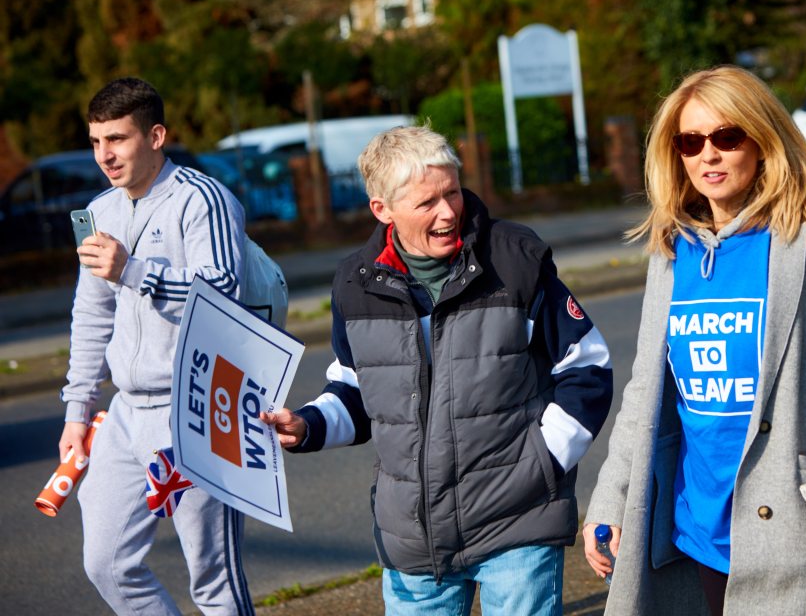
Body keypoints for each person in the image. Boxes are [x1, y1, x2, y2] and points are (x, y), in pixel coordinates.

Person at [582, 65, 806, 616]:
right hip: (697, 524)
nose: (709, 155)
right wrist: (610, 498)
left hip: (794, 528)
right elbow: (646, 392)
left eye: (728, 137)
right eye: (691, 141)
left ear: (763, 141)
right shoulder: (670, 253)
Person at [262, 125, 613, 615]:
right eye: (427, 203)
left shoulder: (515, 259)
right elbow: (357, 388)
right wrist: (308, 425)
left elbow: (587, 369)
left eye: (452, 193)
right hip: (412, 539)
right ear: (382, 210)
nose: (448, 212)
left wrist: (542, 463)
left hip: (517, 524)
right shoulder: (352, 285)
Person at [59, 77, 254, 615]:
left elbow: (225, 288)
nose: (105, 155)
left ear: (156, 135)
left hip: (196, 405)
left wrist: (135, 271)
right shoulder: (101, 212)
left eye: (117, 139)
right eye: (97, 141)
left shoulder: (203, 198)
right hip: (124, 414)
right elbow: (92, 314)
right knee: (106, 562)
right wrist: (78, 411)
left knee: (213, 579)